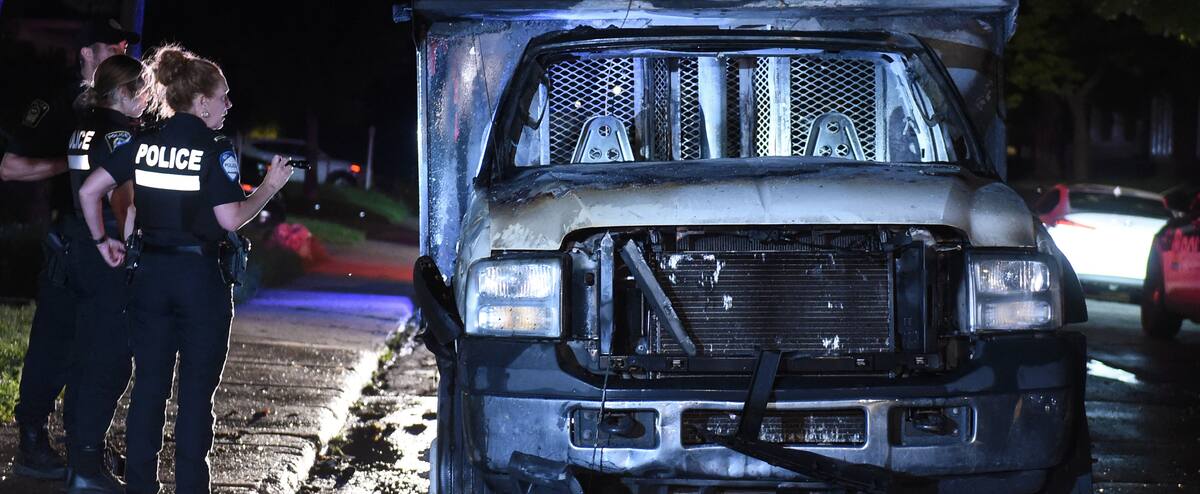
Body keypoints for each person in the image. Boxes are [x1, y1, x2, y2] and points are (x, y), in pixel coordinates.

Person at [78, 44, 294, 494]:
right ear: (201, 102)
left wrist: (103, 242)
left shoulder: (143, 141)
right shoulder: (215, 148)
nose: (229, 105)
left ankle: (141, 486)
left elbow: (89, 190)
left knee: (148, 389)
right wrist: (269, 187)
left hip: (149, 279)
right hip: (199, 282)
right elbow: (231, 218)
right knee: (195, 396)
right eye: (223, 97)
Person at [0, 18, 139, 481]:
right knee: (56, 343)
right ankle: (34, 440)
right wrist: (77, 165)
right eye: (112, 47)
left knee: (91, 347)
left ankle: (85, 444)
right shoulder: (60, 104)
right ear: (85, 54)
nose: (122, 52)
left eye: (125, 46)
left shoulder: (115, 110)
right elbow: (10, 167)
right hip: (68, 238)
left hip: (95, 243)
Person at [62, 53, 149, 494]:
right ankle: (86, 465)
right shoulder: (119, 135)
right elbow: (122, 199)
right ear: (124, 93)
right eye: (144, 91)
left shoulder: (84, 126)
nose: (148, 99)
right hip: (107, 255)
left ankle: (79, 454)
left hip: (77, 251)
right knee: (111, 361)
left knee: (83, 356)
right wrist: (121, 245)